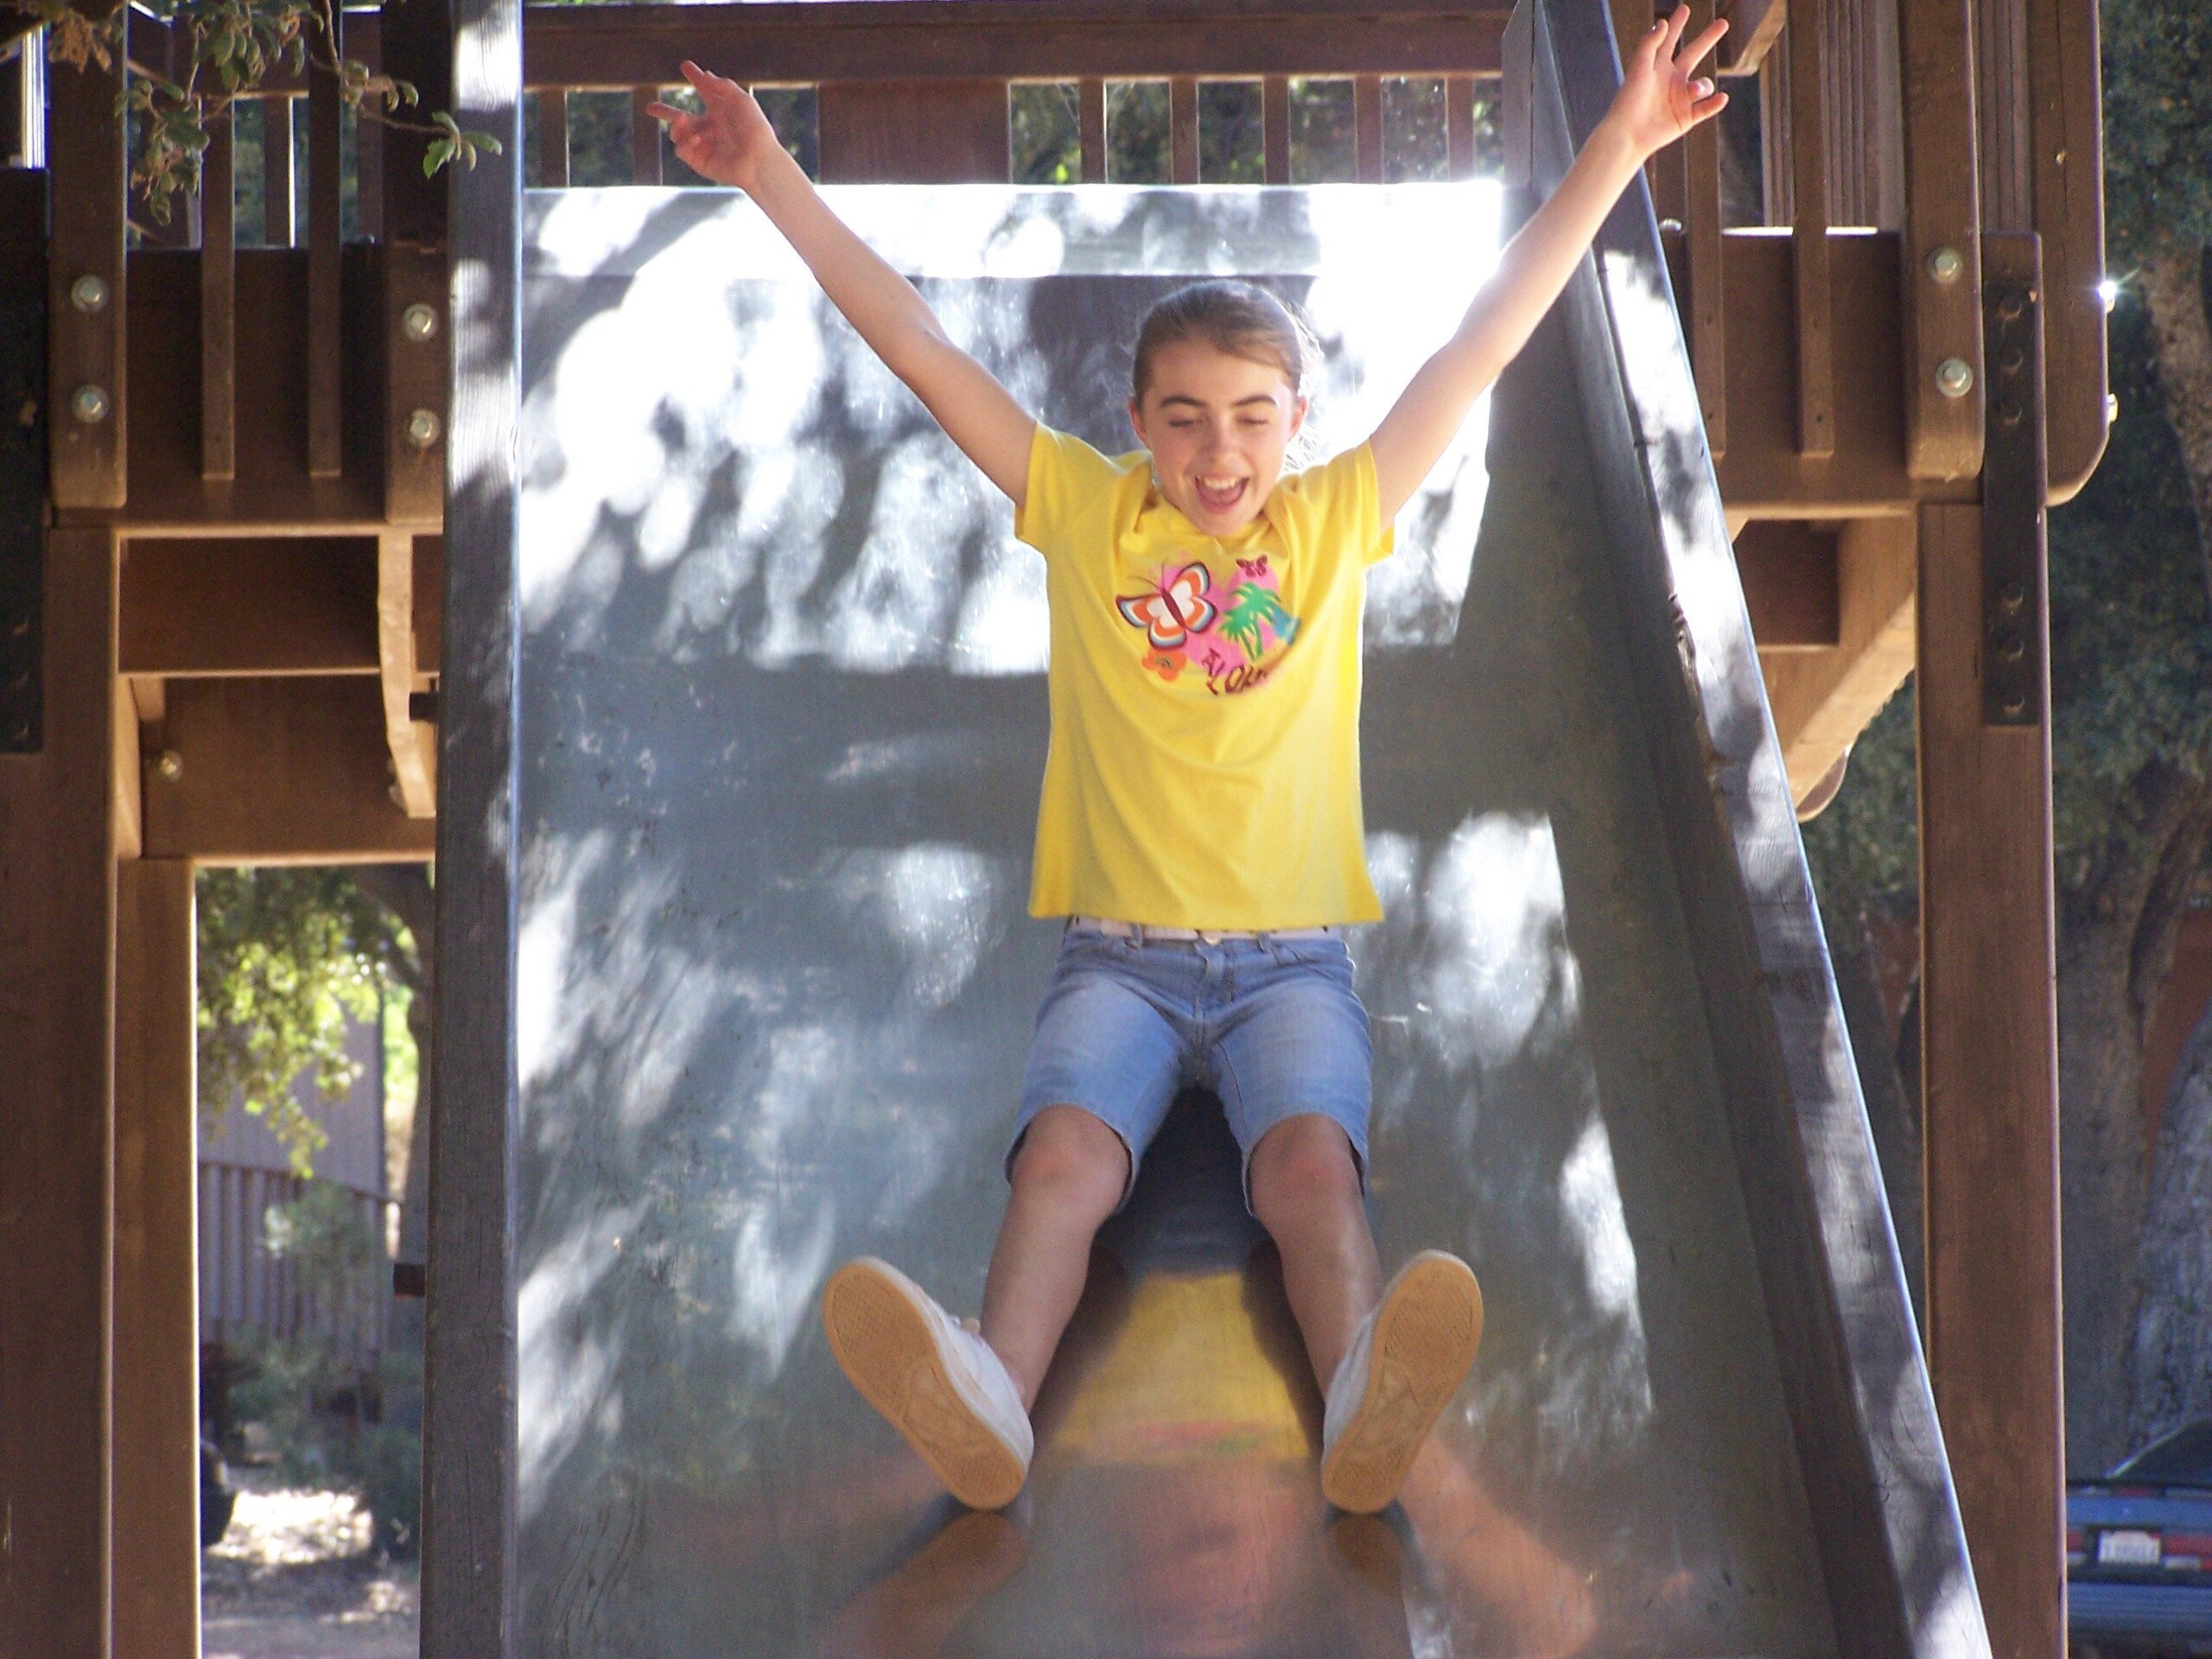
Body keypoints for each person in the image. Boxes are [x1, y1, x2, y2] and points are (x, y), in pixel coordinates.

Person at [650, 13, 1726, 1517]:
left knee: (1308, 1176)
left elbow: (1485, 334)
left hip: (1295, 966)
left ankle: (1364, 1399)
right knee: (1064, 1166)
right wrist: (768, 172)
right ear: (1138, 427)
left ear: (1294, 425)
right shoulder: (1086, 516)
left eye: (1251, 419)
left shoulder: (1335, 520)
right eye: (1185, 421)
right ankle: (989, 1396)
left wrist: (1618, 142)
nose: (1220, 454)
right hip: (1125, 964)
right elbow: (917, 343)